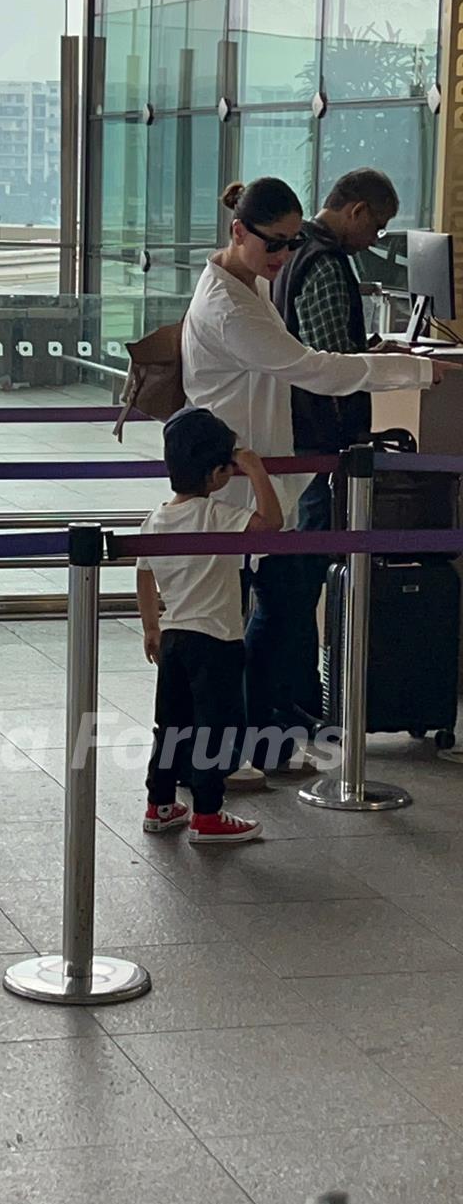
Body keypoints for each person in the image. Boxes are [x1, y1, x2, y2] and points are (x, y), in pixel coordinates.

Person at [182, 176, 452, 772]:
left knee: (248, 615)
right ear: (237, 232)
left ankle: (245, 746)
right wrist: (405, 370)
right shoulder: (230, 308)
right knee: (226, 625)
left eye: (289, 243)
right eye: (274, 245)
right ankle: (221, 757)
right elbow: (314, 369)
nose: (283, 257)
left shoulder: (245, 287)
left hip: (254, 478)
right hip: (234, 485)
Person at [272, 168, 401, 717]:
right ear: (355, 211)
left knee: (292, 577)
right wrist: (393, 367)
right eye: (378, 224)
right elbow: (331, 362)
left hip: (296, 430)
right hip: (318, 439)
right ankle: (294, 701)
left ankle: (288, 698)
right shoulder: (324, 263)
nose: (377, 238)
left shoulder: (297, 253)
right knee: (301, 580)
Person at [137, 407, 283, 843]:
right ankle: (208, 813)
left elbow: (144, 573)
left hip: (175, 639)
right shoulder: (216, 515)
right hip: (217, 640)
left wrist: (151, 627)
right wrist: (256, 471)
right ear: (218, 473)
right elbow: (271, 524)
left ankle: (159, 804)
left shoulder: (156, 517)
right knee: (214, 731)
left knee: (172, 729)